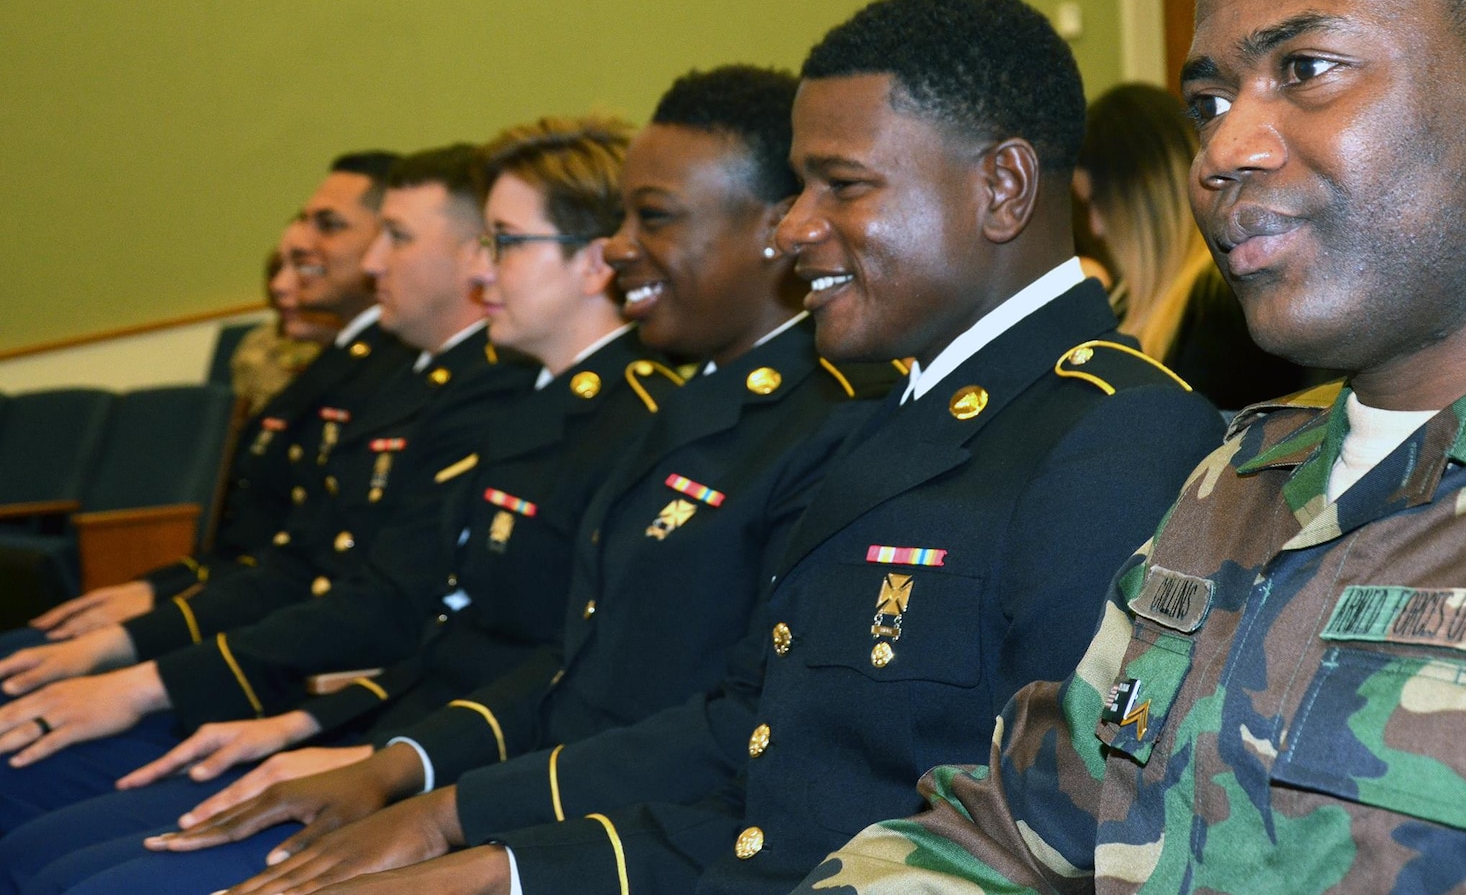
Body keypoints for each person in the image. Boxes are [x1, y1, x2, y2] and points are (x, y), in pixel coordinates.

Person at [159, 0, 1227, 895]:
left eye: (840, 186)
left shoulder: (1113, 442)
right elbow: (752, 739)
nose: (794, 225)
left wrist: (501, 858)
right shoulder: (896, 412)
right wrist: (467, 833)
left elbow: (1031, 847)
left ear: (999, 188)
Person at [797, 0, 1466, 893]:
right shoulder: (1238, 477)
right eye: (1208, 103)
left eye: (1304, 71)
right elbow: (1002, 831)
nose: (1223, 151)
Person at [17, 66, 895, 894]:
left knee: (84, 874)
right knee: (52, 858)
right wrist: (394, 767)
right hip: (516, 786)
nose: (617, 249)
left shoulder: (826, 421)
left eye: (652, 218)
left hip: (601, 836)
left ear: (773, 225)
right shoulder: (689, 402)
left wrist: (451, 817)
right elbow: (571, 663)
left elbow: (733, 727)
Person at [0, 115, 675, 892]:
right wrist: (309, 725)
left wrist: (390, 762)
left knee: (85, 879)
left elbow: (566, 671)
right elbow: (446, 633)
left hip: (484, 780)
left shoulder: (640, 422)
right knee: (45, 859)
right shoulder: (531, 405)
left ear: (595, 264)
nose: (479, 272)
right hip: (400, 734)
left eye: (503, 242)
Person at [2, 154, 411, 657]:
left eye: (327, 225)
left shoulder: (397, 372)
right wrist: (156, 589)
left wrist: (141, 642)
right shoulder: (344, 364)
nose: (299, 244)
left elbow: (312, 569)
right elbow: (253, 543)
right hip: (250, 608)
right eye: (303, 222)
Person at [1075, 81, 1314, 408]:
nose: (1095, 228)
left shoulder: (1222, 309)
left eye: (1096, 202)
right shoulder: (1137, 302)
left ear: (1142, 196)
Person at [226, 242, 337, 420]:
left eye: (299, 272)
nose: (278, 286)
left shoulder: (341, 339)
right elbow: (238, 419)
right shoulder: (256, 342)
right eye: (275, 273)